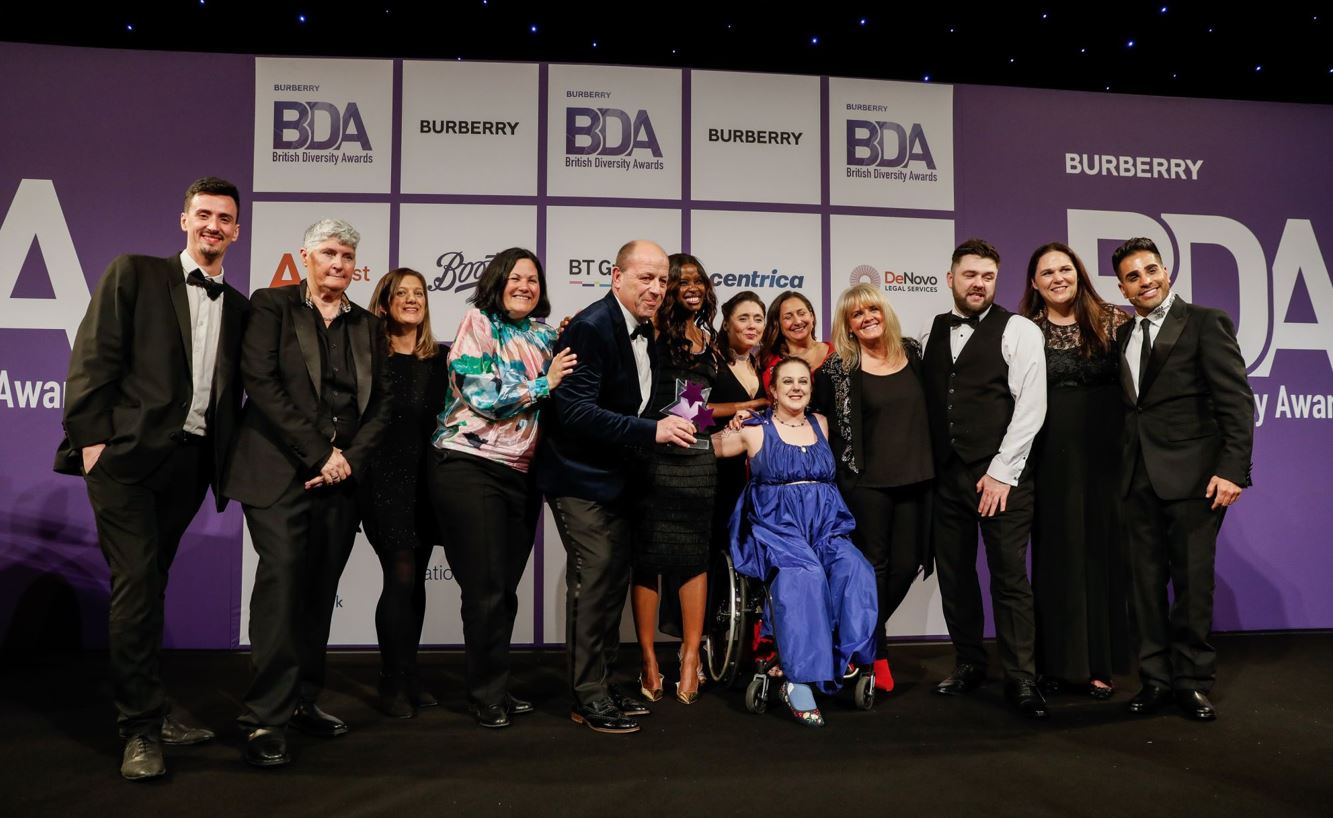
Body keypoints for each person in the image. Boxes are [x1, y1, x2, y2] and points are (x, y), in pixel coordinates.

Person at [55, 176, 249, 781]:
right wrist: (92, 444)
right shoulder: (134, 273)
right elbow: (92, 358)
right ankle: (138, 730)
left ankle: (151, 706)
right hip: (125, 462)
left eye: (225, 218)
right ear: (184, 220)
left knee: (150, 583)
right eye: (204, 215)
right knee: (138, 583)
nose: (214, 225)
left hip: (191, 466)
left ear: (237, 231)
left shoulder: (240, 307)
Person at [223, 218, 390, 767]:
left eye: (347, 255)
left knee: (319, 592)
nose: (338, 263)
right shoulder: (272, 305)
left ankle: (302, 701)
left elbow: (382, 405)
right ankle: (262, 720)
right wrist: (319, 453)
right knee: (283, 586)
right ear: (306, 257)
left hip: (339, 482)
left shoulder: (367, 325)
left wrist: (347, 462)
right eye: (329, 253)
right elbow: (261, 383)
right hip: (276, 474)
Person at [536, 239, 698, 734]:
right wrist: (653, 431)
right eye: (644, 278)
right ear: (616, 276)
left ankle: (602, 687)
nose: (655, 288)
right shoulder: (592, 326)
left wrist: (687, 420)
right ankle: (586, 696)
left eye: (662, 280)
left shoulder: (643, 331)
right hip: (578, 478)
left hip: (618, 480)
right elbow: (576, 411)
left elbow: (636, 404)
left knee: (609, 587)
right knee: (596, 580)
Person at [428, 248, 575, 729]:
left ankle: (496, 684)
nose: (525, 286)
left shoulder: (542, 333)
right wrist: (543, 384)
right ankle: (485, 692)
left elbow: (577, 349)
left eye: (533, 279)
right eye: (516, 277)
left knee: (504, 589)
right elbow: (481, 395)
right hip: (471, 464)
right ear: (496, 281)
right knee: (488, 588)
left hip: (522, 473)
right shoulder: (478, 321)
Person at [1112, 237, 1254, 722]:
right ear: (1123, 287)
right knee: (1144, 586)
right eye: (1133, 276)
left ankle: (1191, 681)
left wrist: (1234, 469)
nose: (1145, 280)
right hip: (1136, 480)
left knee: (1192, 586)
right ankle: (1154, 679)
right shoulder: (1122, 337)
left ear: (1167, 271)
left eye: (1151, 270)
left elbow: (1236, 402)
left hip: (1196, 479)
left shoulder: (1205, 322)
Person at [921, 238, 1049, 719]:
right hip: (946, 477)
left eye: (988, 276)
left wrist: (1001, 472)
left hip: (1003, 478)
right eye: (970, 274)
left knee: (1009, 579)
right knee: (955, 577)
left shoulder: (1018, 330)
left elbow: (1031, 409)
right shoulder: (933, 328)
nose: (979, 284)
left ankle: (1021, 678)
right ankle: (970, 662)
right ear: (951, 277)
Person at [714, 356, 877, 727]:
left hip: (826, 526)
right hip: (777, 528)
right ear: (772, 389)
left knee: (854, 569)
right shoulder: (753, 429)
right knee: (803, 574)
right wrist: (731, 414)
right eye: (787, 381)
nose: (796, 387)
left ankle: (842, 658)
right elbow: (697, 434)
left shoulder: (820, 423)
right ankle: (798, 679)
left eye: (803, 381)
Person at [1017, 242, 1132, 700]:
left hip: (1107, 454)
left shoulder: (1114, 321)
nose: (1057, 278)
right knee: (1055, 556)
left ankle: (1099, 664)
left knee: (1102, 554)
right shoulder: (1024, 330)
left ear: (1080, 274)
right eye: (1047, 272)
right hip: (1049, 455)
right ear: (1034, 283)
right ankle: (1054, 663)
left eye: (1065, 269)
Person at [814, 283, 933, 694]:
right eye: (856, 315)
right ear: (847, 325)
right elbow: (817, 421)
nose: (866, 318)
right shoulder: (837, 369)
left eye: (872, 310)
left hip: (917, 477)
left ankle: (857, 636)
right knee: (874, 569)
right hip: (866, 483)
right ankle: (876, 655)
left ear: (884, 311)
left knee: (908, 564)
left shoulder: (913, 353)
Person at [630, 253, 724, 705]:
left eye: (698, 280)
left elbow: (692, 407)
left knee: (694, 557)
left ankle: (690, 654)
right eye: (680, 280)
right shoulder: (650, 330)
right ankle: (648, 659)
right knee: (647, 558)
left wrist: (752, 408)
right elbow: (649, 397)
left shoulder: (709, 339)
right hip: (652, 456)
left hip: (698, 462)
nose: (691, 286)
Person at [360, 268, 448, 718]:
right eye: (402, 293)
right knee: (399, 576)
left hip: (429, 484)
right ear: (385, 301)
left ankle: (410, 672)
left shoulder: (444, 359)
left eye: (419, 293)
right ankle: (391, 679)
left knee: (415, 584)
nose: (412, 300)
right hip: (382, 481)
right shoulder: (368, 357)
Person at [759, 291, 831, 391]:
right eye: (788, 317)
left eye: (801, 313)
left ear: (812, 316)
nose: (797, 321)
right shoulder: (772, 367)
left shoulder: (838, 352)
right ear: (778, 325)